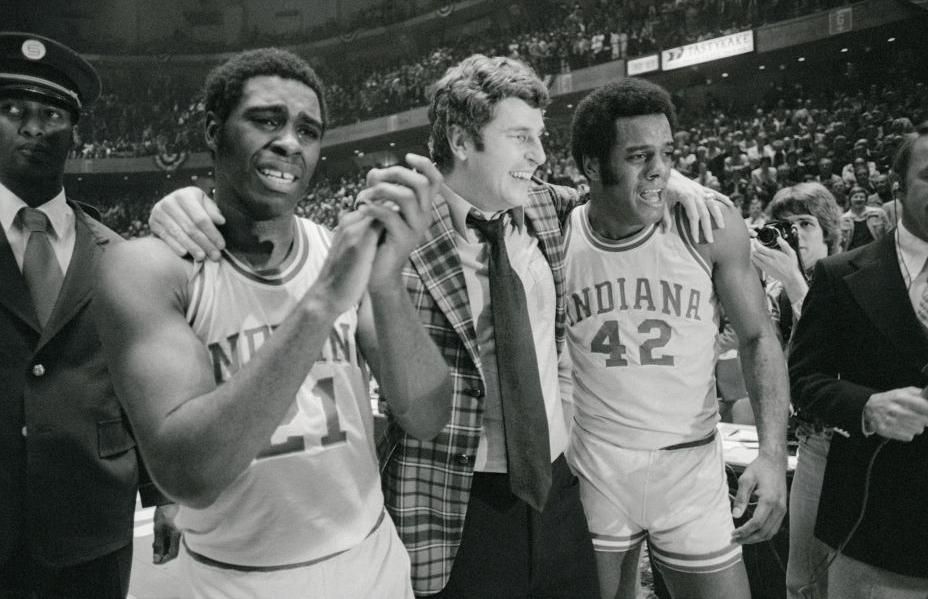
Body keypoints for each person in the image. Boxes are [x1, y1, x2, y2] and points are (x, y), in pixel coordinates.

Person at [148, 54, 727, 597]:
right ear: (461, 141)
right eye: (521, 138)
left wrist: (675, 180)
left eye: (541, 137)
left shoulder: (550, 208)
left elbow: (623, 185)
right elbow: (277, 223)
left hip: (558, 490)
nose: (540, 155)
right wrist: (186, 203)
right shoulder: (392, 233)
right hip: (453, 504)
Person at [94, 48, 452, 597]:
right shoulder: (149, 268)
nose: (290, 141)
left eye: (309, 130)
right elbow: (190, 476)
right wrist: (322, 303)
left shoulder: (337, 250)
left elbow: (427, 416)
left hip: (372, 560)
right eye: (266, 120)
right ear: (214, 130)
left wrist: (384, 282)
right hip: (235, 579)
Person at [564, 78, 789, 599]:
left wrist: (773, 456)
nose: (660, 169)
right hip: (597, 461)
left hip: (690, 463)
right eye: (639, 155)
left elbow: (759, 338)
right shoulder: (558, 231)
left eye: (668, 153)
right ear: (591, 166)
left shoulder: (707, 223)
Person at [0, 32, 176, 598]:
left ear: (74, 134)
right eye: (12, 110)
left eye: (52, 113)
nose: (33, 127)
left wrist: (165, 493)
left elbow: (141, 383)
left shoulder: (118, 255)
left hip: (92, 522)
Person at [788, 123, 928, 596]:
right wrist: (866, 406)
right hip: (875, 528)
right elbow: (804, 378)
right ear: (897, 190)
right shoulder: (839, 274)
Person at [750, 182, 843, 598]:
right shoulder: (778, 293)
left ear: (828, 233)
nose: (796, 234)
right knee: (800, 582)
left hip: (850, 443)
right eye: (786, 225)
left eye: (806, 223)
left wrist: (793, 283)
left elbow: (841, 360)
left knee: (846, 579)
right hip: (811, 440)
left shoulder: (851, 280)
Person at [840, 184, 889, 251]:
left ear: (866, 200)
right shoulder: (843, 219)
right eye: (855, 197)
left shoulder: (879, 213)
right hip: (853, 255)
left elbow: (889, 232)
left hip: (876, 252)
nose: (859, 199)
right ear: (850, 200)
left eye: (862, 197)